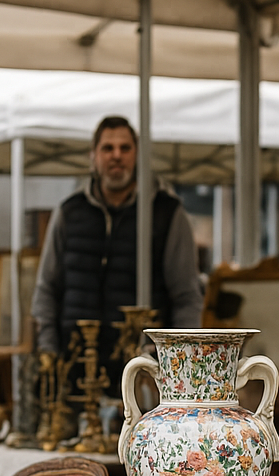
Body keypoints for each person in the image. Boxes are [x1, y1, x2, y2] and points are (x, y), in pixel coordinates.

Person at [32, 115, 203, 374]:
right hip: (74, 367)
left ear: (137, 155)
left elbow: (186, 295)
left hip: (145, 370)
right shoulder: (69, 212)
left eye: (125, 148)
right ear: (93, 156)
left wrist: (182, 363)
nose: (116, 156)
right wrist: (48, 350)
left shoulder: (165, 213)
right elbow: (46, 288)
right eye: (107, 148)